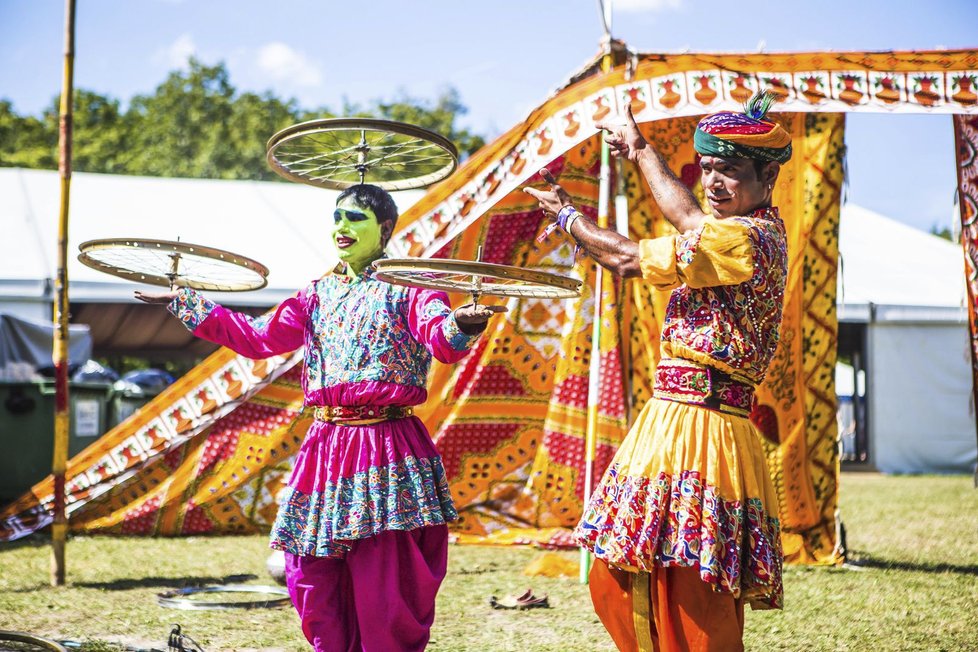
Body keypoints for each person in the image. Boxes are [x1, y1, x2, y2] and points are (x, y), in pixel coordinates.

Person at [136, 183, 504, 652]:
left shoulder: (412, 288)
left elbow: (440, 338)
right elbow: (258, 339)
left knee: (383, 576)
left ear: (385, 228)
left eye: (355, 218)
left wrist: (462, 326)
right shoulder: (315, 294)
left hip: (385, 443)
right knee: (309, 570)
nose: (342, 228)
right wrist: (185, 303)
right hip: (327, 446)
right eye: (337, 218)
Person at [525, 92, 791, 652]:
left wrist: (571, 218)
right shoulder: (725, 230)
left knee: (694, 587)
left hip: (710, 425)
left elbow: (630, 257)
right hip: (670, 419)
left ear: (767, 176)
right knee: (620, 569)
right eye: (710, 168)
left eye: (732, 171)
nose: (715, 182)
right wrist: (640, 148)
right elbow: (689, 217)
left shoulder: (747, 238)